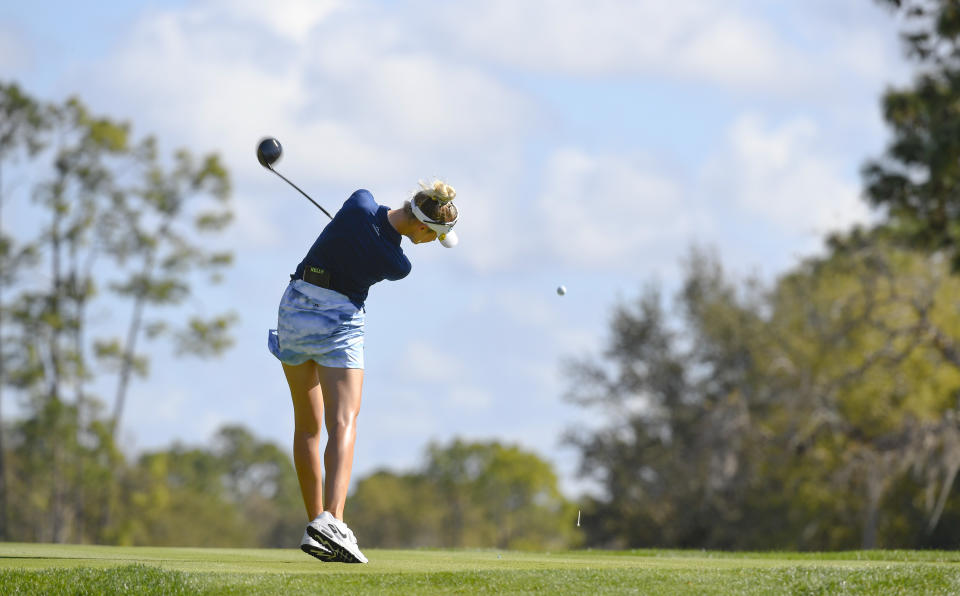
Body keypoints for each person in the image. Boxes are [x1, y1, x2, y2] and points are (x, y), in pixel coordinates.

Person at [267, 180, 459, 564]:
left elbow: (372, 214)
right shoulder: (398, 264)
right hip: (337, 321)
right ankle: (333, 520)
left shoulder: (359, 202)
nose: (429, 243)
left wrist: (356, 227)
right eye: (433, 237)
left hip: (295, 309)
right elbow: (387, 245)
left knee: (307, 425)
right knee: (343, 420)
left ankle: (315, 525)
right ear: (422, 228)